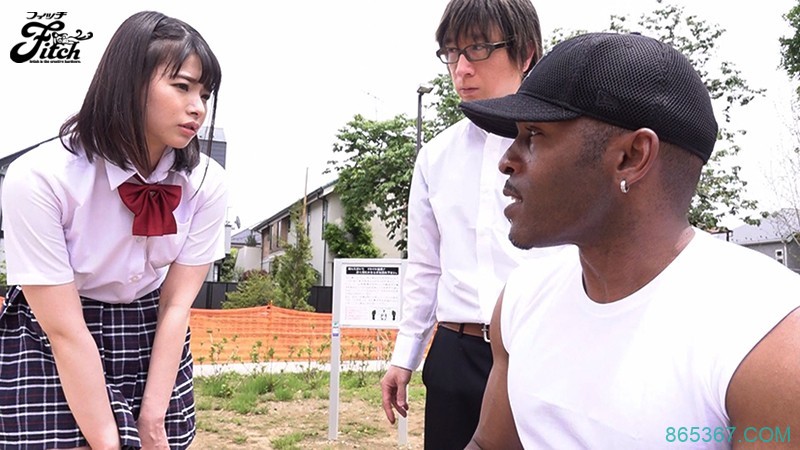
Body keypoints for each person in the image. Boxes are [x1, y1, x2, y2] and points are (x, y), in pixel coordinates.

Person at [459, 32, 800, 448]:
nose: (506, 161)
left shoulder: (767, 339)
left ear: (632, 156)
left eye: (533, 135)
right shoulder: (522, 297)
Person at [0, 11, 225, 450]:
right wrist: (107, 440)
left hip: (152, 328)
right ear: (129, 83)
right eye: (182, 86)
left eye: (204, 93)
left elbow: (176, 304)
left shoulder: (206, 181)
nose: (198, 107)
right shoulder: (40, 177)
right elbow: (65, 332)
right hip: (54, 331)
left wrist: (153, 419)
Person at [379, 0, 549, 448]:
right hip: (456, 352)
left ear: (526, 53)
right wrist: (404, 356)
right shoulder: (435, 156)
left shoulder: (560, 148)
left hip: (542, 351)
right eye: (452, 52)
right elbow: (425, 266)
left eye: (478, 49)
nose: (461, 68)